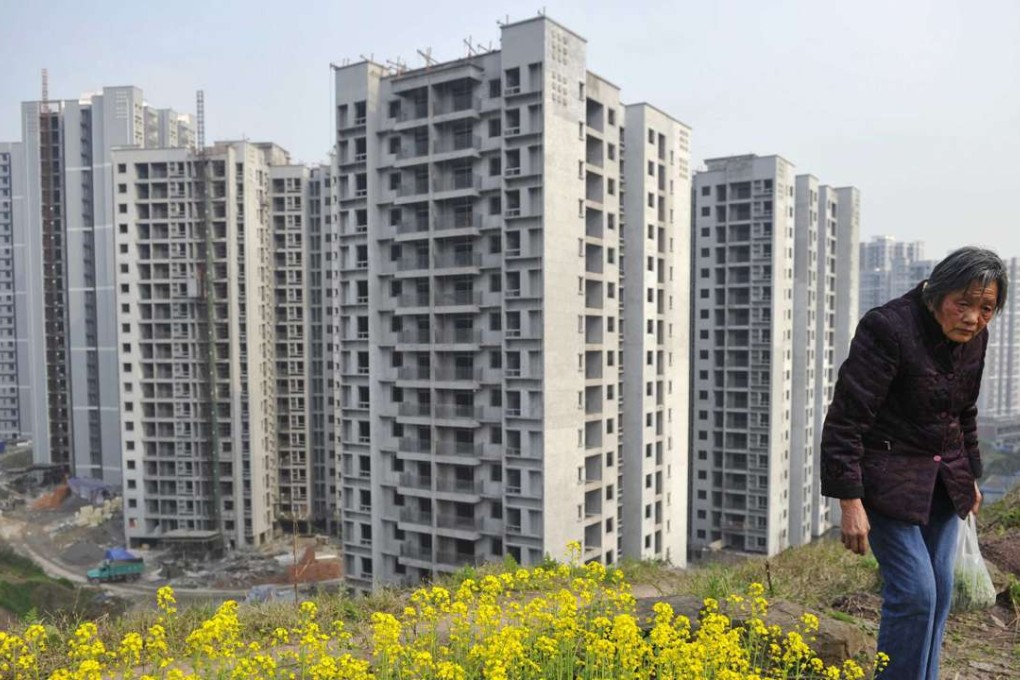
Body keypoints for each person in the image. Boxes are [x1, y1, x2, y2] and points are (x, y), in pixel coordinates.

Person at [820, 246, 1008, 680]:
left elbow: (965, 411)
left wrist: (970, 475)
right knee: (916, 594)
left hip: (945, 483)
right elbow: (846, 419)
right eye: (963, 304)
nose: (973, 318)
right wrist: (849, 501)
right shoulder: (887, 328)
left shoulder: (975, 336)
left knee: (940, 595)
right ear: (937, 291)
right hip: (888, 482)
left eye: (986, 308)